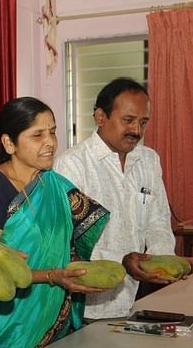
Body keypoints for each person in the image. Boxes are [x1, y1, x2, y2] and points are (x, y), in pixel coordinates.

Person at [0, 97, 110, 348]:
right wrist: (51, 276)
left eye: (53, 132)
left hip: (55, 314)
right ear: (9, 143)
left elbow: (77, 240)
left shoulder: (54, 183)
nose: (50, 142)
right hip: (10, 324)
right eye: (37, 135)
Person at [54, 77, 183, 320]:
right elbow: (67, 243)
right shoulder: (72, 165)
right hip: (87, 306)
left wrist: (160, 262)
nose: (136, 130)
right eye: (128, 120)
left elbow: (158, 221)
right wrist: (122, 263)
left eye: (143, 122)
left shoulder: (148, 160)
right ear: (101, 117)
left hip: (139, 300)